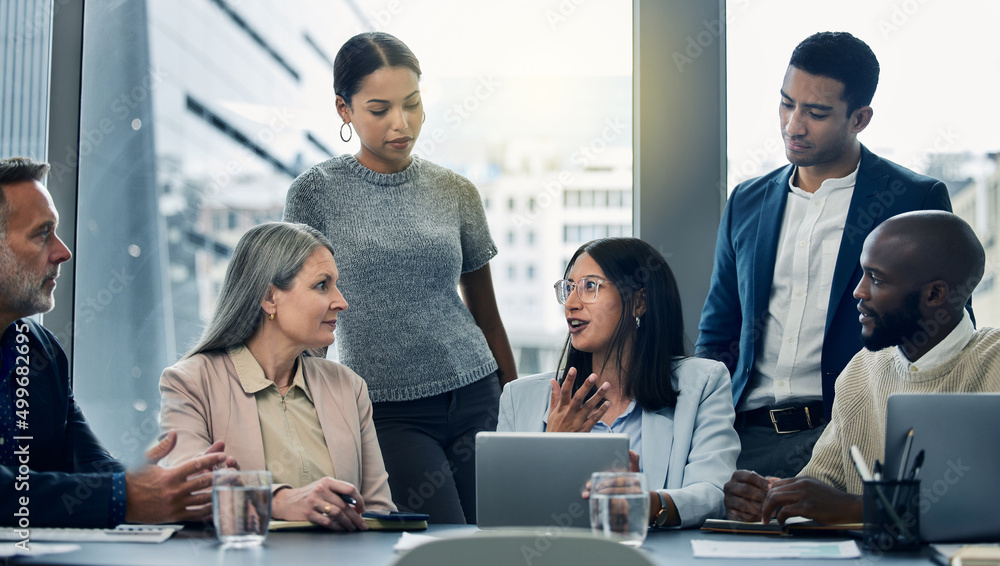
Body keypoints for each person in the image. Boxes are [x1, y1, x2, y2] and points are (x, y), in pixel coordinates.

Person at [696, 31, 960, 478]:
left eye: (816, 113)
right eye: (786, 103)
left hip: (857, 436)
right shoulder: (747, 201)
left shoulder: (913, 198)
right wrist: (701, 433)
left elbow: (944, 332)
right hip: (744, 442)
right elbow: (719, 330)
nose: (793, 125)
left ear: (860, 118)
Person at [283, 32, 516, 524]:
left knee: (500, 539)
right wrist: (302, 418)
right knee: (441, 544)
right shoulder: (313, 194)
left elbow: (486, 316)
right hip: (388, 409)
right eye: (379, 108)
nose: (401, 123)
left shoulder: (456, 191)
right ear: (344, 110)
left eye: (412, 104)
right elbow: (307, 317)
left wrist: (517, 413)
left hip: (478, 392)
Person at [724, 211, 1000, 525]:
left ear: (934, 294)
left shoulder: (994, 362)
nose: (859, 291)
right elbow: (823, 486)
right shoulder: (860, 371)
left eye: (877, 279)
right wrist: (770, 498)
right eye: (863, 274)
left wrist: (862, 508)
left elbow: (983, 506)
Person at [0, 157, 230, 528]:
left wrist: (170, 488)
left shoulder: (41, 351)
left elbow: (86, 463)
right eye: (42, 233)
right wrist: (125, 497)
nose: (63, 252)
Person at [159, 222, 395, 531]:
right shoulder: (190, 383)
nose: (341, 301)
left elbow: (378, 511)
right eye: (322, 285)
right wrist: (280, 500)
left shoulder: (348, 387)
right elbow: (186, 494)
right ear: (270, 297)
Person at [498, 238, 739, 528]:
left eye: (590, 286)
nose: (572, 304)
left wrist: (647, 502)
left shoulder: (704, 384)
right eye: (569, 288)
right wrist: (554, 448)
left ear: (639, 301)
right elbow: (506, 514)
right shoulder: (518, 398)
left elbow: (713, 492)